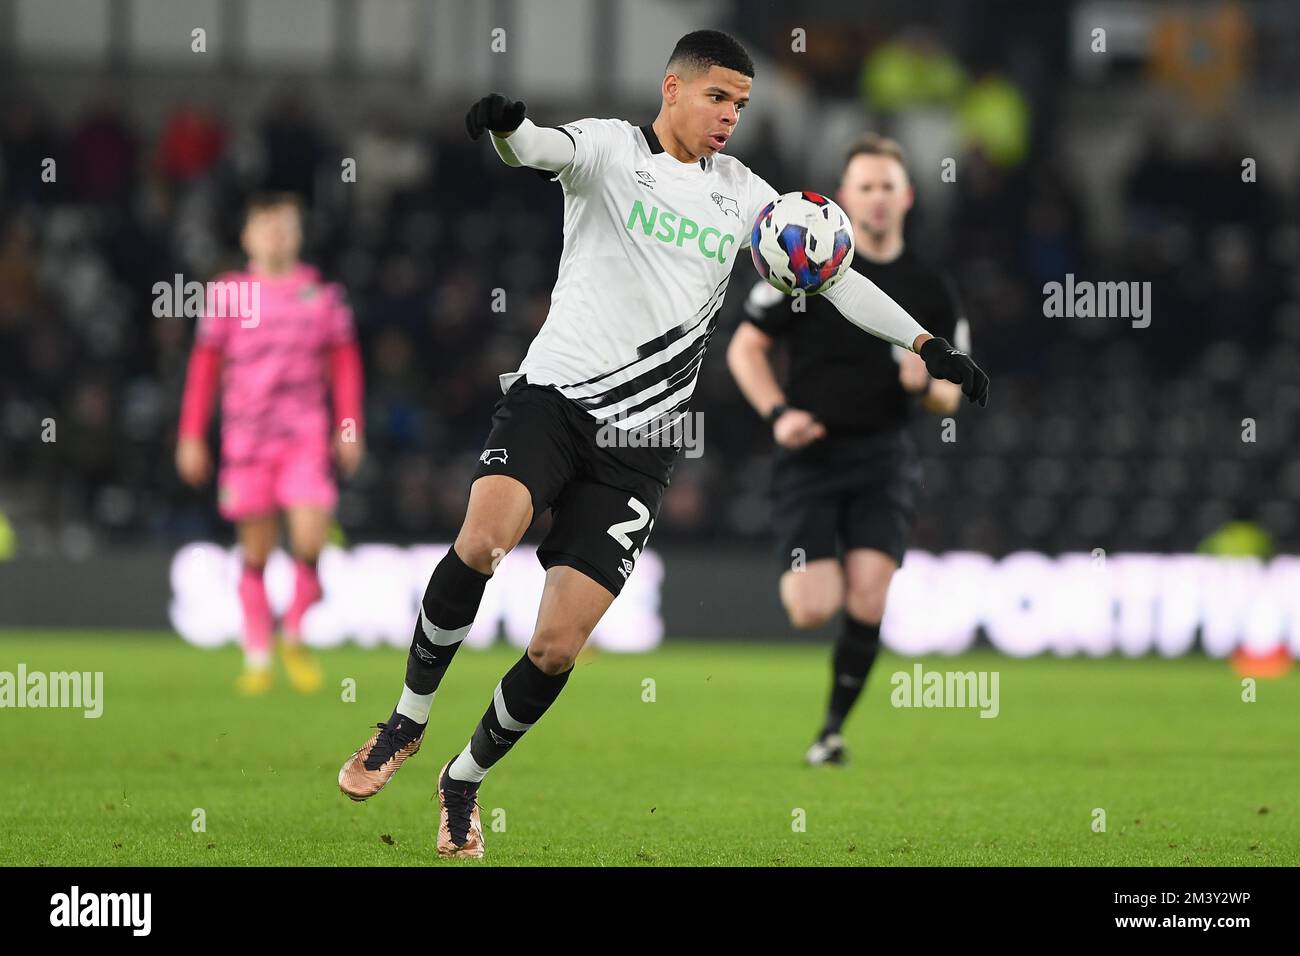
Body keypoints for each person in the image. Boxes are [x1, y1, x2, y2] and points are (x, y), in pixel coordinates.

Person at [337, 30, 988, 858]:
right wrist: (504, 126)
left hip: (641, 445)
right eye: (718, 98)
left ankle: (464, 780)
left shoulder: (747, 196)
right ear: (672, 89)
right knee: (483, 537)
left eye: (742, 106)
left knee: (556, 645)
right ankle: (405, 721)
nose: (729, 118)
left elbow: (839, 278)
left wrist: (928, 346)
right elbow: (535, 147)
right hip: (553, 400)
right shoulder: (609, 151)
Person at [728, 134, 970, 765]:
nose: (878, 198)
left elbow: (951, 397)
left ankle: (831, 730)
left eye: (889, 185)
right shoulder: (804, 266)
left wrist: (930, 389)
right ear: (844, 198)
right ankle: (830, 717)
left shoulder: (933, 288)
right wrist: (778, 415)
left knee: (868, 597)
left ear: (908, 196)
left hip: (883, 458)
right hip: (810, 456)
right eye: (865, 186)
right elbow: (744, 349)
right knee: (812, 608)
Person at [176, 193, 365, 694]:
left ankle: (295, 631)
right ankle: (258, 652)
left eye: (286, 227)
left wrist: (348, 428)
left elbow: (344, 367)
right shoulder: (227, 293)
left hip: (304, 437)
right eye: (266, 227)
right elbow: (204, 369)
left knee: (309, 539)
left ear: (298, 235)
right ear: (247, 237)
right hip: (247, 441)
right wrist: (191, 434)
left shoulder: (322, 296)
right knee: (255, 552)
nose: (277, 235)